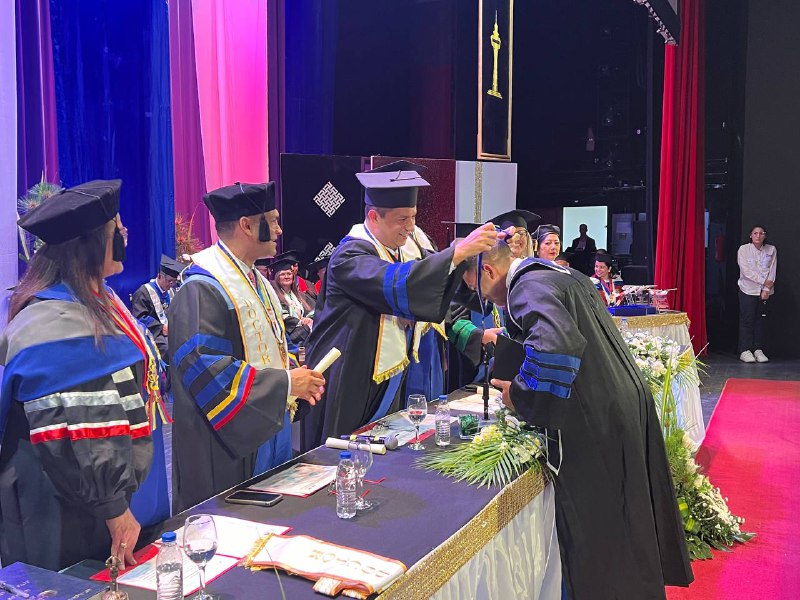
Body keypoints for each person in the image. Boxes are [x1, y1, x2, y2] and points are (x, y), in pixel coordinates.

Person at [461, 241, 693, 599]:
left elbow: (558, 345)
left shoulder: (526, 286)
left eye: (478, 289)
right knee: (629, 515)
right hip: (620, 396)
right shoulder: (560, 274)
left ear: (488, 272)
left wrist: (519, 395)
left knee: (602, 529)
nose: (487, 300)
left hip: (594, 414)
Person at [0, 180, 169, 571]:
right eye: (117, 230)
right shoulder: (53, 321)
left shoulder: (98, 299)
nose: (125, 235)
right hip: (63, 501)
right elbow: (80, 423)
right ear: (88, 245)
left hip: (93, 492)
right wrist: (113, 507)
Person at [301, 164, 501, 450]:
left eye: (414, 217)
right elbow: (397, 282)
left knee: (383, 444)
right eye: (402, 219)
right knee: (348, 450)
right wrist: (457, 252)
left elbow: (436, 280)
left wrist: (472, 265)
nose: (410, 227)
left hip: (386, 373)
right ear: (374, 217)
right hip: (351, 370)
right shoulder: (349, 255)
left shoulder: (401, 249)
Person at [168, 182, 325, 512]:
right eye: (274, 220)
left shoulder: (257, 281)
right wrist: (285, 383)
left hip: (266, 425)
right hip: (226, 443)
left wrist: (293, 375)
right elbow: (206, 369)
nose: (280, 230)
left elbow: (271, 347)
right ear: (247, 225)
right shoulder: (202, 288)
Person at [737, 225, 777, 363]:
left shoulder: (771, 249)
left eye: (761, 233)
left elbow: (772, 270)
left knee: (761, 320)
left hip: (765, 291)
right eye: (755, 233)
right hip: (748, 289)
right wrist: (763, 282)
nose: (758, 236)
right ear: (751, 235)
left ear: (765, 236)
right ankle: (745, 349)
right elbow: (746, 271)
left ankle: (758, 349)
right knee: (747, 320)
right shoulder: (744, 249)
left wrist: (766, 289)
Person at [131, 254, 183, 359]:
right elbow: (138, 318)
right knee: (170, 348)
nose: (171, 284)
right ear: (160, 276)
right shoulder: (143, 292)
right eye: (169, 281)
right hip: (154, 332)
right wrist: (160, 327)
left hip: (171, 330)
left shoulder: (172, 292)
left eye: (174, 281)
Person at [270, 252, 316, 346]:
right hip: (289, 338)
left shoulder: (301, 295)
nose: (287, 277)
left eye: (289, 274)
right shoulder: (273, 296)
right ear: (277, 277)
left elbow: (315, 309)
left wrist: (308, 319)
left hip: (304, 335)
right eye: (283, 274)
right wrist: (300, 322)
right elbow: (280, 316)